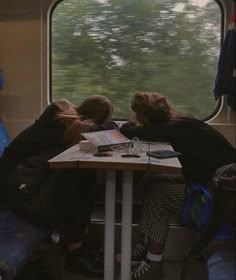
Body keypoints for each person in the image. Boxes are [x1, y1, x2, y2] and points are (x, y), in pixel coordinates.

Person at [119, 92, 235, 280]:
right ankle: (146, 243)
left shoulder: (166, 130)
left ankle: (153, 263)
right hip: (216, 179)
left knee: (161, 193)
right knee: (151, 179)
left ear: (144, 117)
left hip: (215, 188)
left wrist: (135, 121)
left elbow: (126, 131)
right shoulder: (184, 122)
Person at [0, 95, 118, 276]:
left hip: (19, 182)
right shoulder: (60, 125)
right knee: (80, 174)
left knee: (78, 173)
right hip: (13, 189)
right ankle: (74, 246)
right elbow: (109, 132)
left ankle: (76, 244)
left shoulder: (64, 121)